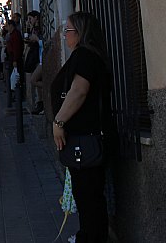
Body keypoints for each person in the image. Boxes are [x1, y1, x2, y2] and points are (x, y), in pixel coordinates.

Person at [52, 12, 113, 243]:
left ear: (80, 33)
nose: (65, 35)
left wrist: (59, 122)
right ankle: (87, 235)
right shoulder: (86, 56)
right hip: (83, 140)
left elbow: (79, 91)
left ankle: (91, 237)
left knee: (89, 196)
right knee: (87, 195)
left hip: (87, 140)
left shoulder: (86, 56)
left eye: (68, 31)